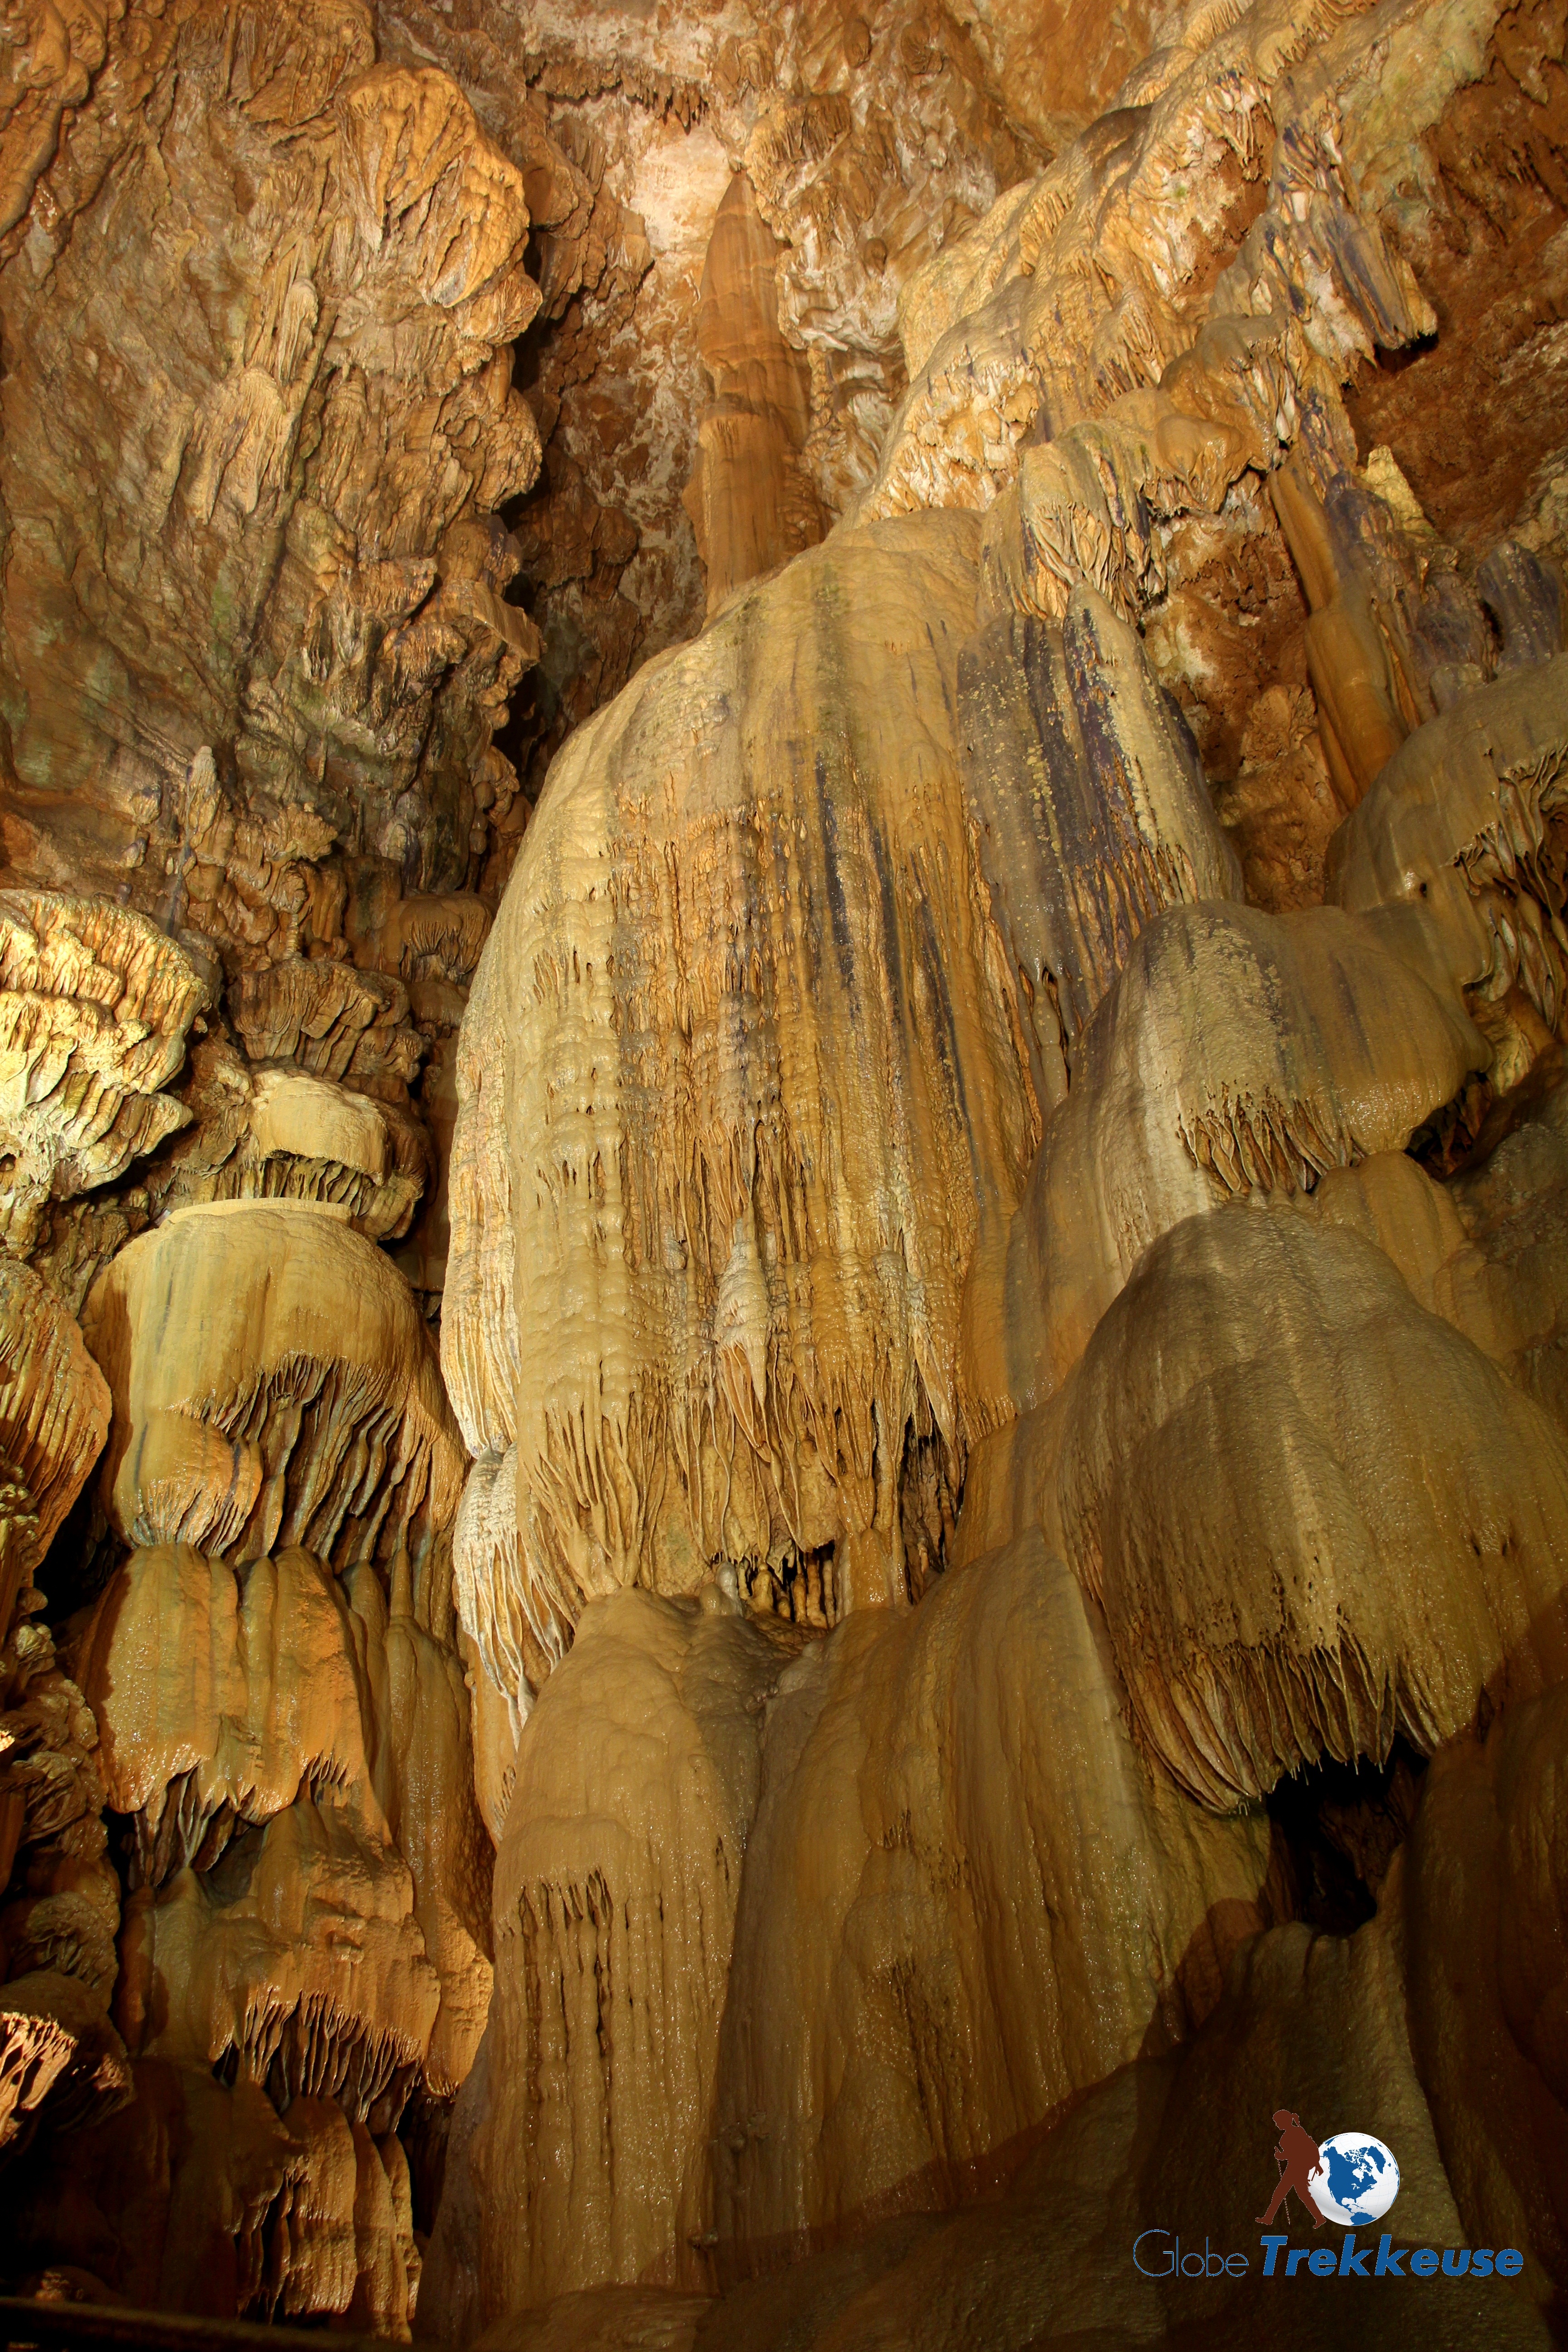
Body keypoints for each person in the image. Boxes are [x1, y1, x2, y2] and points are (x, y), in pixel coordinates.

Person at [1257, 2109, 1328, 2229]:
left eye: (1277, 2122)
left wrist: (1280, 2155)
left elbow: (1294, 2153)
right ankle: (1320, 2218)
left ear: (1284, 2122)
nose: (1276, 2125)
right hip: (1299, 2167)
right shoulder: (1299, 2131)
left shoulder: (1289, 2136)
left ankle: (1269, 2218)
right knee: (1298, 2194)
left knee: (1284, 2193)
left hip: (1296, 2168)